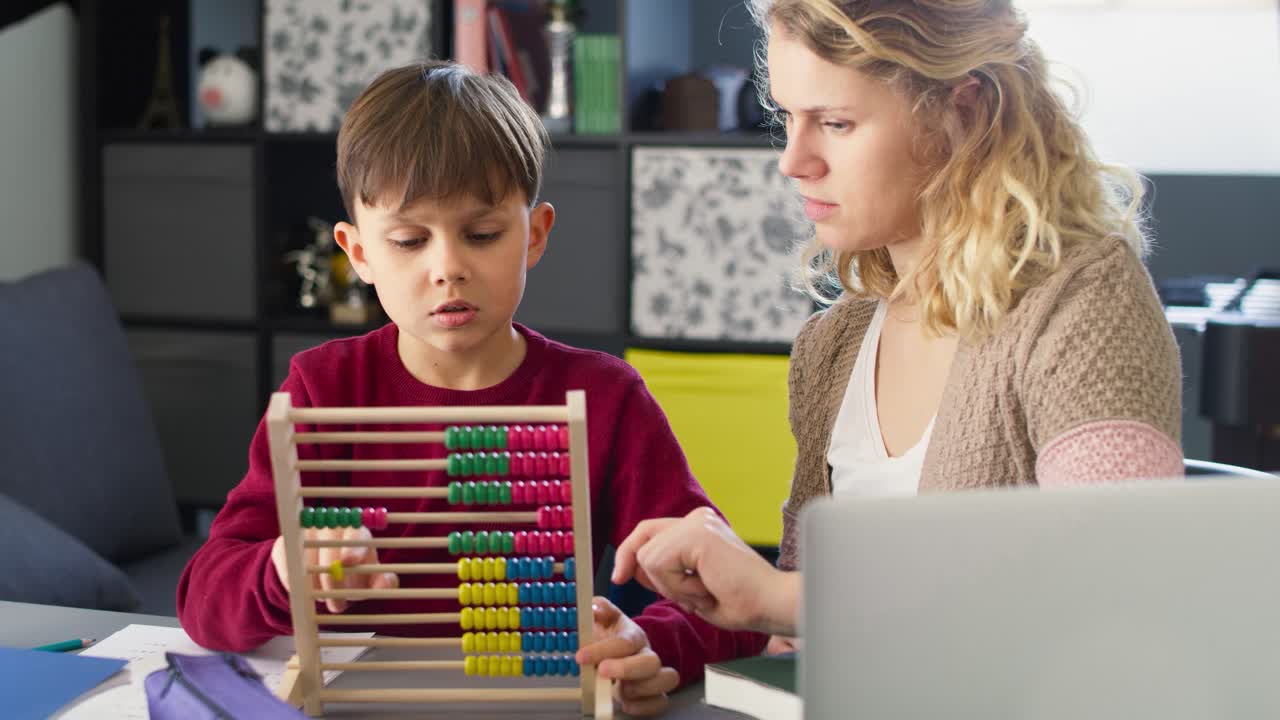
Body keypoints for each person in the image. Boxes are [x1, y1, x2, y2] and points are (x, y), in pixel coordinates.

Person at [176, 60, 765, 716]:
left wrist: (651, 646)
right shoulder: (324, 389)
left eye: (481, 234)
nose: (447, 268)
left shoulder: (604, 397)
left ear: (534, 234)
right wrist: (284, 568)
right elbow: (204, 604)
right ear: (359, 253)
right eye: (408, 239)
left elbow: (735, 605)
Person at [612, 0, 1183, 644]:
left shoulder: (1082, 302)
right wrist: (661, 652)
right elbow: (804, 643)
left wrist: (779, 596)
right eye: (786, 118)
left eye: (835, 122)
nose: (793, 161)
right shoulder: (832, 347)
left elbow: (1121, 580)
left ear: (961, 112)